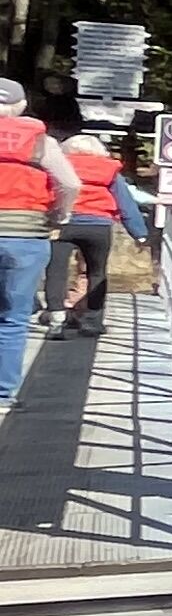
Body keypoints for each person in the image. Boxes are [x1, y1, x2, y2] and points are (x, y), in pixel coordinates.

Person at [0, 79, 86, 410]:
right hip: (26, 235)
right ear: (22, 106)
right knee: (14, 316)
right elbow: (69, 183)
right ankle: (4, 393)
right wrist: (59, 215)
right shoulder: (41, 141)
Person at [50, 131, 127, 334]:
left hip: (64, 223)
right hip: (98, 225)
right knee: (97, 272)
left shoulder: (59, 165)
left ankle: (56, 320)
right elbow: (124, 201)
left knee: (56, 271)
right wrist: (139, 232)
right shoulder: (109, 169)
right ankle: (92, 320)